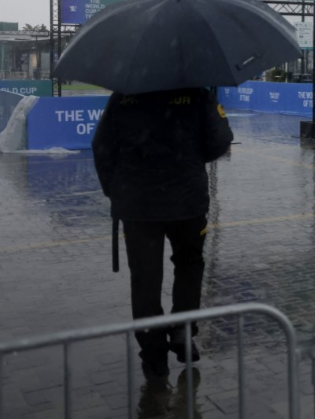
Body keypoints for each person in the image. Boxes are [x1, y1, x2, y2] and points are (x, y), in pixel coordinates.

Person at [93, 88, 234, 379]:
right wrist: (190, 155)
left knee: (145, 280)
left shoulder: (124, 94)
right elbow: (220, 141)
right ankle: (183, 332)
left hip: (138, 205)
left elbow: (101, 146)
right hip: (187, 202)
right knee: (189, 267)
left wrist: (115, 191)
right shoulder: (197, 91)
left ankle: (154, 355)